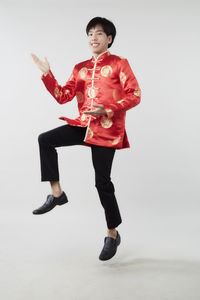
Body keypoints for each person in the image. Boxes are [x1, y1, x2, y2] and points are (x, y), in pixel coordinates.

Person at [31, 16, 141, 261]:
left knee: (102, 182)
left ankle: (112, 234)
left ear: (109, 39)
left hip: (107, 129)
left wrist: (109, 108)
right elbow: (63, 96)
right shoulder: (80, 67)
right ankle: (57, 194)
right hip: (84, 125)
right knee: (45, 139)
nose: (93, 37)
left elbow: (135, 95)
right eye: (90, 33)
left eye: (99, 33)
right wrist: (48, 75)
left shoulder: (119, 64)